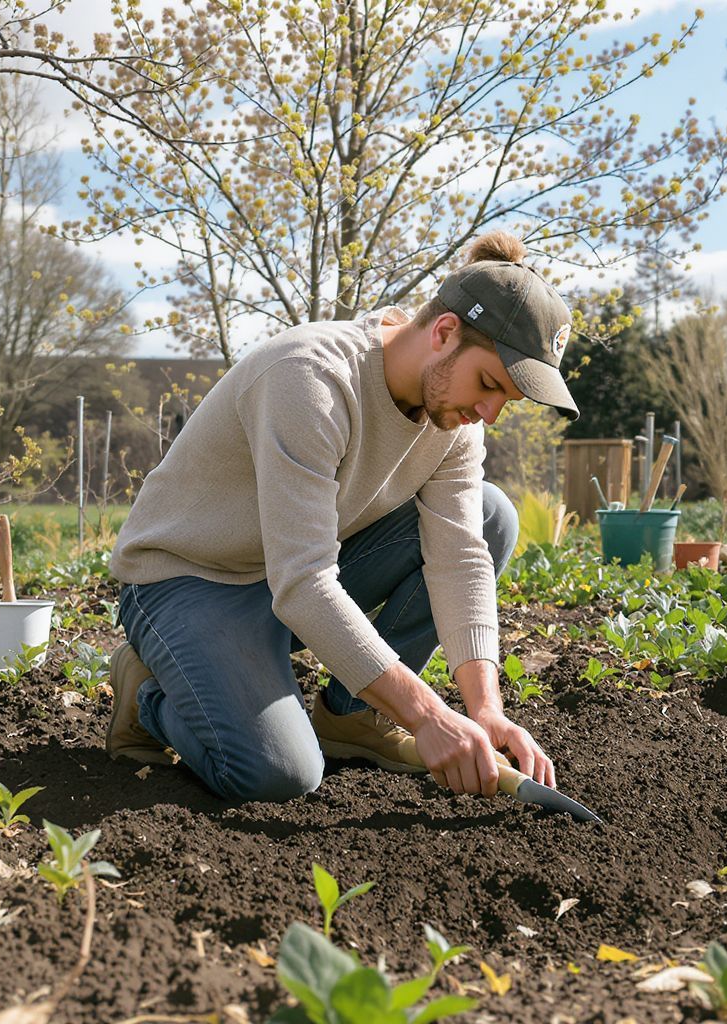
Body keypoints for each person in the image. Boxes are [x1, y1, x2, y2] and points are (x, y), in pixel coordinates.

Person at [107, 230, 580, 803]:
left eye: (507, 399)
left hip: (289, 575)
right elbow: (303, 582)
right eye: (488, 384)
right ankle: (148, 696)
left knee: (488, 517)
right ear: (444, 332)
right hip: (187, 580)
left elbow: (459, 556)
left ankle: (351, 716)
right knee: (278, 773)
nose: (489, 411)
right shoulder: (310, 380)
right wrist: (428, 714)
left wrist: (487, 711)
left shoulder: (455, 422)